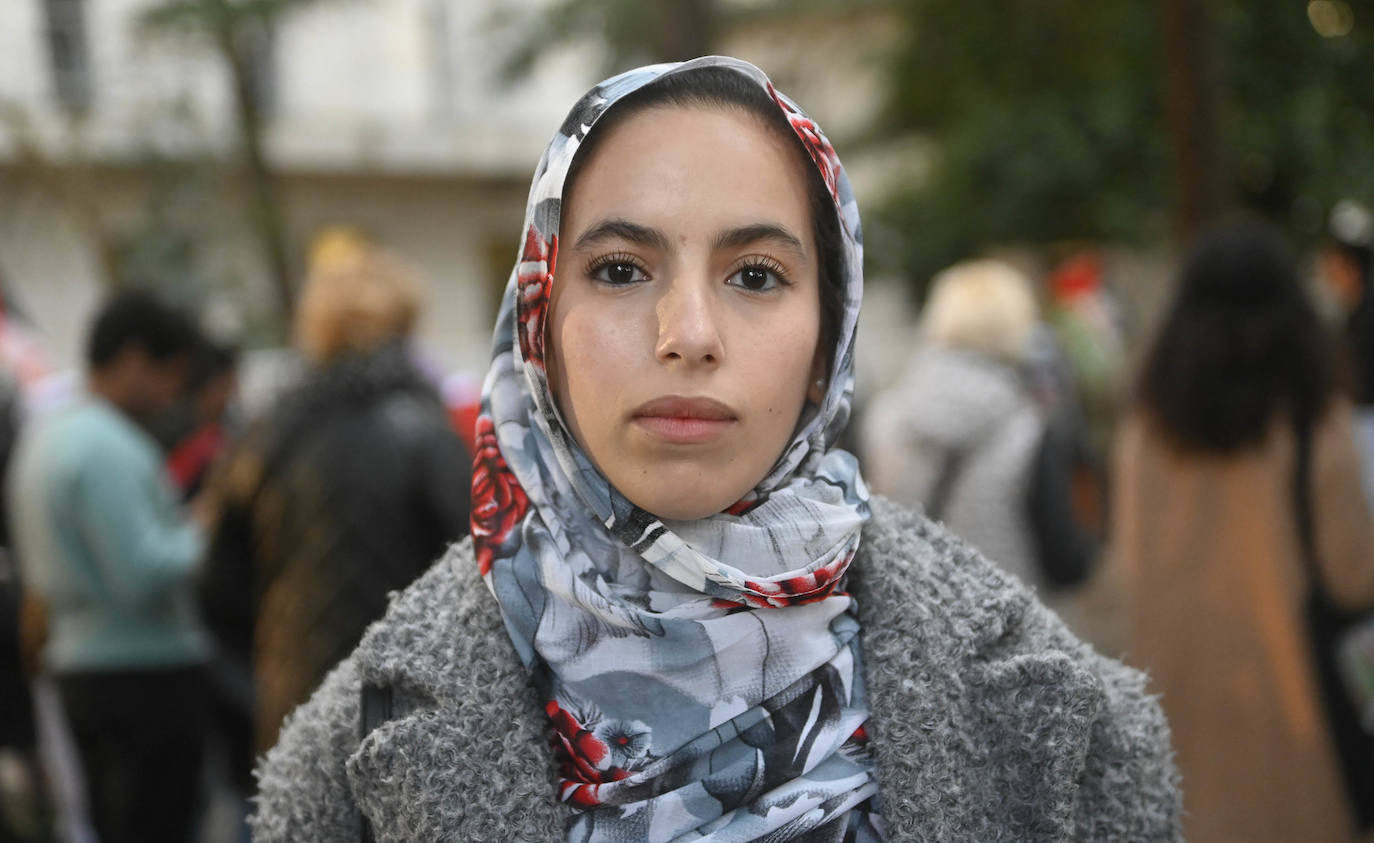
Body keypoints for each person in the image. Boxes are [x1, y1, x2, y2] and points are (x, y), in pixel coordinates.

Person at [251, 57, 1179, 841]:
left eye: (755, 275)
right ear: (540, 324)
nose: (688, 332)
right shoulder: (352, 758)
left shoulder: (1064, 726)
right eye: (620, 270)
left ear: (829, 339)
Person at [1109, 223, 1374, 842]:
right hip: (1293, 708)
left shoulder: (1144, 433)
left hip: (1175, 705)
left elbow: (1127, 567)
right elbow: (1353, 573)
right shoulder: (1315, 425)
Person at [204, 239, 472, 758]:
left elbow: (218, 587)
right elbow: (477, 579)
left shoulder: (267, 436)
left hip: (296, 707)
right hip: (409, 715)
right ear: (404, 326)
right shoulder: (427, 435)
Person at [7, 290, 210, 843]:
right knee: (157, 823)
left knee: (110, 823)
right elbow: (141, 570)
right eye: (171, 375)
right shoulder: (106, 445)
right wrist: (204, 529)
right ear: (134, 360)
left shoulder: (45, 436)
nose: (174, 395)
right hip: (143, 671)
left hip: (77, 665)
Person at [862, 259, 1096, 594]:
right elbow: (1064, 555)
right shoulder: (1031, 425)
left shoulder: (886, 416)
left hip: (917, 613)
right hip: (1014, 621)